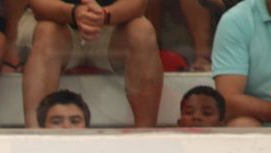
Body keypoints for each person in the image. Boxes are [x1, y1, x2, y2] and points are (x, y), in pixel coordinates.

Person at [19, 0, 163, 128]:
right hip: (57, 22)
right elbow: (39, 5)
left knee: (142, 30)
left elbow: (138, 4)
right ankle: (35, 136)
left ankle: (145, 134)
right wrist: (74, 13)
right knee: (47, 31)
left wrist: (104, 15)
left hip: (111, 24)